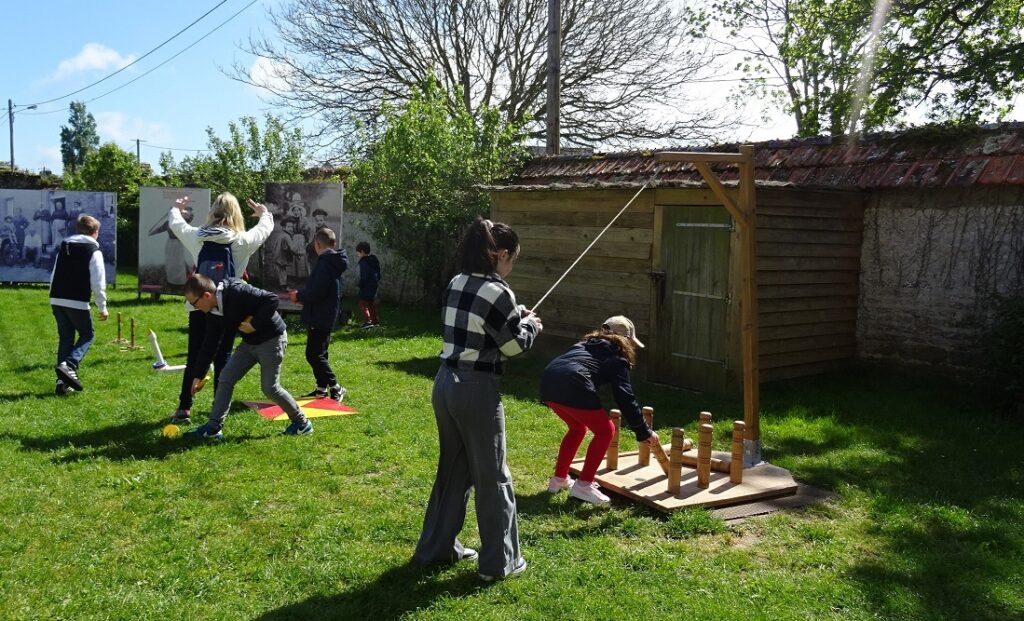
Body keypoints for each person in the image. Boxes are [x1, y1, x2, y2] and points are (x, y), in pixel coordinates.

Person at [413, 217, 542, 582]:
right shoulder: (499, 291)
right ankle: (500, 564)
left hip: (445, 384)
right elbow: (514, 346)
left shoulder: (457, 281)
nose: (511, 266)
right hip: (476, 390)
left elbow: (478, 327)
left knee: (453, 471)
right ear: (500, 254)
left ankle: (435, 550)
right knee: (493, 476)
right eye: (512, 259)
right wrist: (532, 325)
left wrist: (516, 318)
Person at [165, 193, 274, 424]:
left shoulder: (197, 237)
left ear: (212, 212)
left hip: (198, 306)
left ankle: (184, 408)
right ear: (236, 214)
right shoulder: (242, 240)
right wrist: (264, 213)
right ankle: (218, 408)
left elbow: (176, 224)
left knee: (195, 354)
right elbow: (265, 229)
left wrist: (176, 208)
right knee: (222, 356)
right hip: (227, 306)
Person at [539, 316, 660, 505]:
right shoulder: (617, 357)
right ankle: (583, 486)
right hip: (573, 381)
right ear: (625, 340)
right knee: (606, 430)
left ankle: (559, 479)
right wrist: (643, 430)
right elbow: (625, 397)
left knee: (577, 428)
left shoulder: (583, 345)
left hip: (548, 380)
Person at [182, 274, 313, 440]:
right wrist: (198, 375)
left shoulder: (237, 291)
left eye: (194, 303)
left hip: (272, 339)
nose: (194, 307)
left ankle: (302, 424)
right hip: (250, 343)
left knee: (270, 388)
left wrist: (254, 324)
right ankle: (213, 429)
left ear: (207, 296)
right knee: (225, 378)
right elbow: (210, 344)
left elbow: (271, 299)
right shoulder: (213, 311)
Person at [287, 227, 349, 401]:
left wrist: (299, 296)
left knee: (313, 354)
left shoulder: (324, 263)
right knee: (321, 352)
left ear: (317, 244)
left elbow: (317, 292)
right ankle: (322, 388)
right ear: (334, 244)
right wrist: (304, 297)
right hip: (327, 312)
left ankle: (336, 386)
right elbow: (322, 290)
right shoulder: (334, 262)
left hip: (320, 314)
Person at [49, 214, 108, 395]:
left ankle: (62, 383)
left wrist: (52, 295)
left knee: (66, 338)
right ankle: (70, 364)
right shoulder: (93, 250)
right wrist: (102, 306)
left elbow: (54, 272)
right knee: (87, 334)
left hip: (56, 298)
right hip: (77, 300)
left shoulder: (64, 246)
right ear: (95, 232)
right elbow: (98, 282)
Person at [355, 241, 382, 329]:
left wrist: (360, 284)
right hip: (374, 284)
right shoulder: (374, 260)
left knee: (362, 303)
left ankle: (368, 321)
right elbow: (378, 272)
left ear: (362, 252)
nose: (357, 254)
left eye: (358, 253)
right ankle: (375, 321)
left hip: (367, 285)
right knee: (371, 303)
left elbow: (364, 275)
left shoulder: (363, 262)